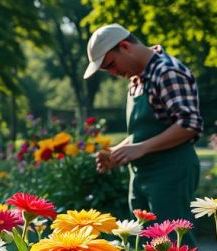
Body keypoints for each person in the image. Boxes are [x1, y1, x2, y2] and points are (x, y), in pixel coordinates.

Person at [84, 24, 202, 226]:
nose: (112, 73)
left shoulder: (167, 71)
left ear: (125, 46)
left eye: (111, 64)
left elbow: (189, 125)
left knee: (174, 246)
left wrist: (141, 148)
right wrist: (117, 152)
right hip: (141, 175)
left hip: (170, 173)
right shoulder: (136, 78)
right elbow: (143, 132)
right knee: (143, 246)